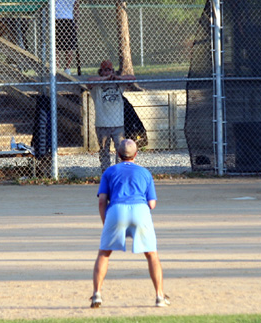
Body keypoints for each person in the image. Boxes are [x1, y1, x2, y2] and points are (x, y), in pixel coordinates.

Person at [91, 139, 170, 308]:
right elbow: (152, 204)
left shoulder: (110, 171)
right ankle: (160, 296)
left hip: (116, 210)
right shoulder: (145, 173)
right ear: (136, 154)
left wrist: (106, 221)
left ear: (117, 154)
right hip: (140, 210)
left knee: (104, 253)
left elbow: (102, 200)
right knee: (152, 255)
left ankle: (97, 294)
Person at [88, 60, 135, 173]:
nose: (107, 72)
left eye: (109, 70)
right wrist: (105, 79)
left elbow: (132, 78)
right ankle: (106, 172)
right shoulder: (97, 86)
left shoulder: (118, 84)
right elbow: (89, 81)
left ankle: (119, 171)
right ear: (101, 72)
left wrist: (117, 78)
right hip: (102, 124)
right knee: (104, 150)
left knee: (121, 149)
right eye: (104, 70)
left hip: (118, 124)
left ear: (112, 71)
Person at [55, 0, 79, 75]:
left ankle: (59, 67)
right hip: (67, 19)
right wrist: (76, 21)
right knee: (68, 46)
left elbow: (76, 6)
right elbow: (76, 7)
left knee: (60, 46)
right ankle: (65, 68)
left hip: (58, 19)